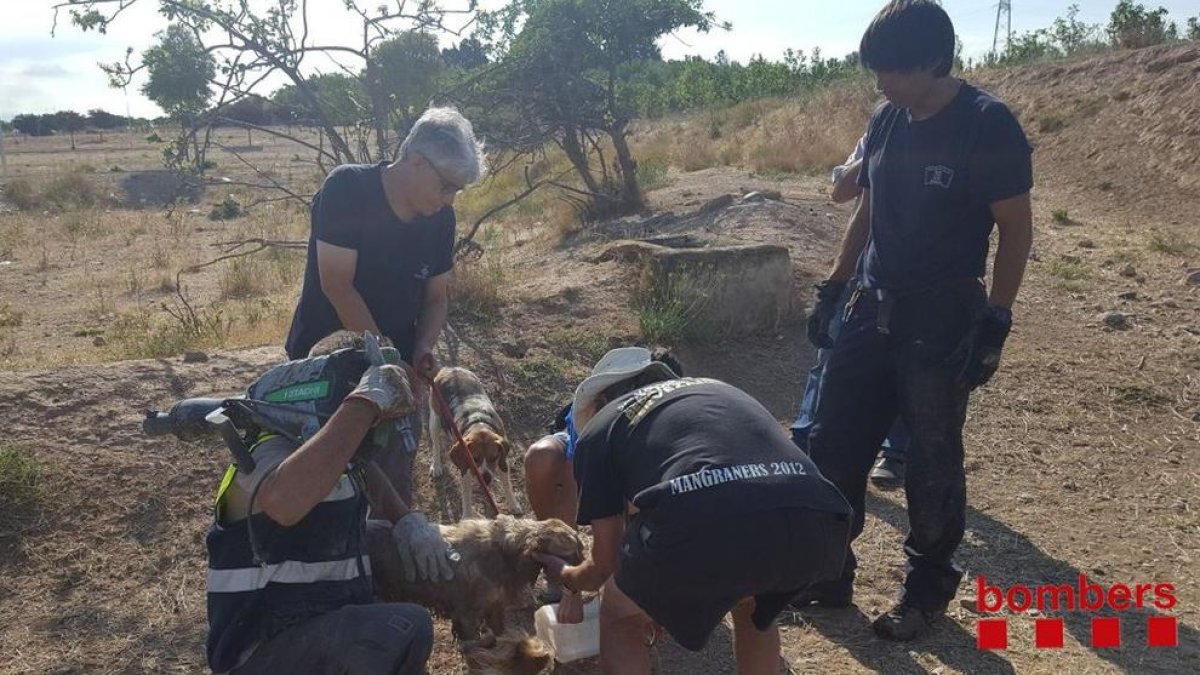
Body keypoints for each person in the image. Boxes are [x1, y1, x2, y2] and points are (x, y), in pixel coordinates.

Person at [802, 0, 1033, 641]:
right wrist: (836, 284)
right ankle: (828, 573)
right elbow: (866, 209)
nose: (880, 83)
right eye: (875, 71)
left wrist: (996, 319)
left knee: (931, 459)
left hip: (942, 312)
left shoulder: (987, 124)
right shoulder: (886, 118)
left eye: (892, 70)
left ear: (932, 61)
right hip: (872, 303)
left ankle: (925, 594)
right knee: (832, 444)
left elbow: (1016, 229)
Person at [536, 347, 853, 675]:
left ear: (601, 401)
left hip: (712, 517)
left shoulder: (604, 425)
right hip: (816, 516)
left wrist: (569, 577)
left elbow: (606, 564)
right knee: (754, 608)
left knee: (620, 617)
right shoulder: (718, 391)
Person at [205, 334, 456, 674]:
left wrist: (408, 523)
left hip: (309, 630)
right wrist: (365, 402)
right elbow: (283, 502)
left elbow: (366, 475)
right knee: (403, 625)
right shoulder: (267, 448)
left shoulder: (339, 456)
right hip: (260, 648)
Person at [284, 106, 486, 502]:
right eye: (446, 186)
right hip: (325, 364)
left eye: (457, 192)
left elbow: (435, 296)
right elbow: (337, 285)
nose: (449, 200)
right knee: (321, 491)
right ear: (415, 162)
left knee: (392, 491)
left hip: (399, 373)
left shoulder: (440, 220)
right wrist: (388, 359)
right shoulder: (348, 189)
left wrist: (423, 346)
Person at [791, 134, 909, 487]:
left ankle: (895, 451)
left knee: (903, 361)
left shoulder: (944, 134)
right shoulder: (877, 136)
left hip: (918, 275)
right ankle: (803, 442)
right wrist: (879, 149)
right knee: (829, 353)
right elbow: (841, 191)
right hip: (859, 267)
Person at [523, 349, 685, 526]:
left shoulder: (675, 418)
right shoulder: (593, 414)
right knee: (541, 457)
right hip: (583, 453)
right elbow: (577, 469)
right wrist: (568, 538)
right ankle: (551, 533)